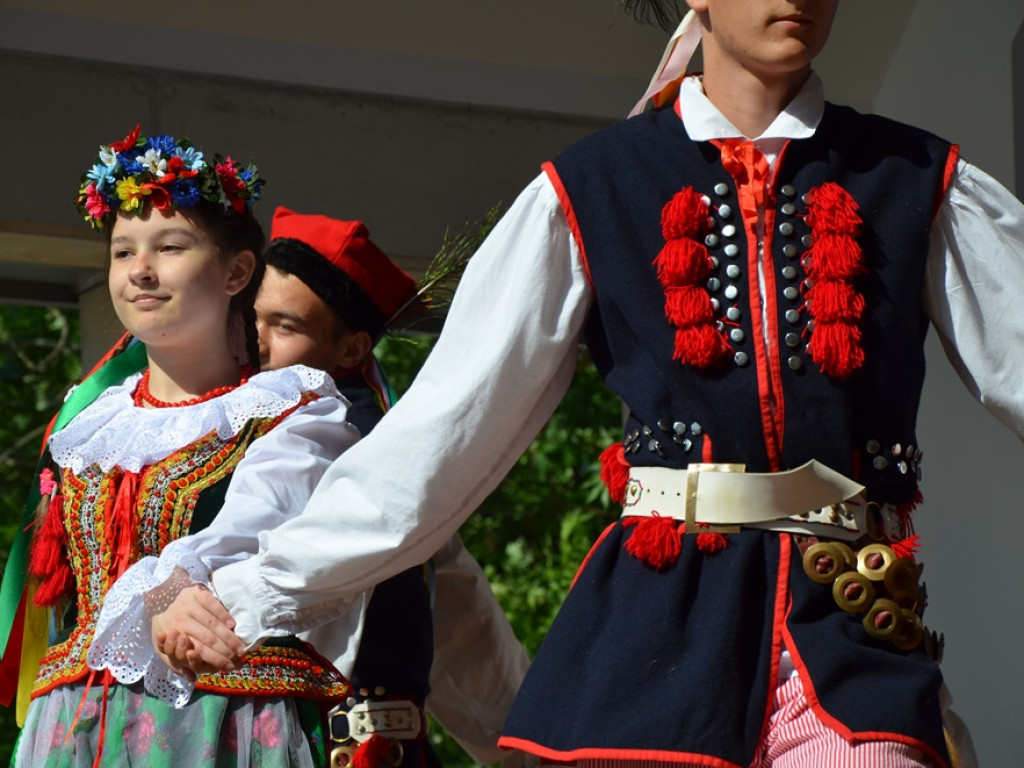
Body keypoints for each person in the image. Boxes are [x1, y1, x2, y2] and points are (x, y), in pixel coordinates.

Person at [154, 1, 1024, 766]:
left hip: (851, 635)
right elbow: (441, 438)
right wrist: (251, 589)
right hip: (656, 642)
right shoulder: (592, 186)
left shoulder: (918, 179)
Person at [0, 126, 359, 767]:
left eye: (169, 247)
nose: (140, 270)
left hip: (217, 725)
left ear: (236, 272)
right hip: (71, 730)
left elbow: (261, 528)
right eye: (121, 252)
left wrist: (167, 587)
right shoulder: (85, 427)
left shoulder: (291, 413)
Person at [250, 206, 531, 767]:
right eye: (253, 320)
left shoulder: (365, 444)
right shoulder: (245, 428)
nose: (256, 343)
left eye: (284, 327)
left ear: (352, 351)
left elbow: (458, 617)